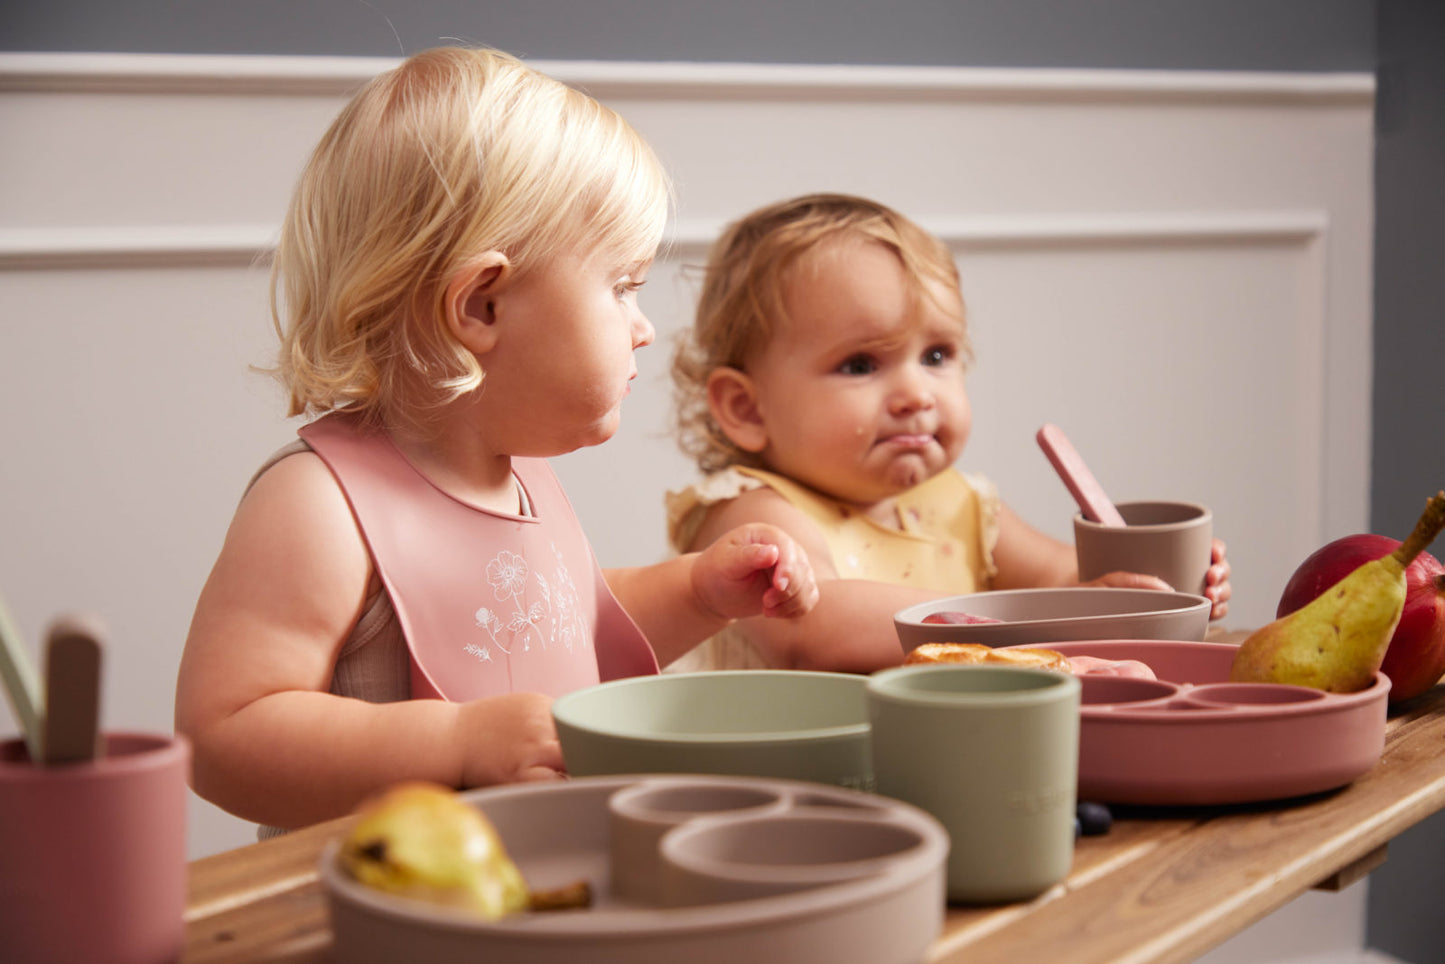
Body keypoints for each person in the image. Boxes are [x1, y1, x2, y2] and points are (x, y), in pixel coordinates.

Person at [174, 47, 818, 834]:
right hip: (379, 905)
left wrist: (696, 593)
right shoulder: (319, 503)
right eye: (621, 288)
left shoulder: (520, 478)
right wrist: (455, 741)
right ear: (481, 306)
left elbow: (558, 633)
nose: (644, 330)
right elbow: (222, 735)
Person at [666, 193, 1229, 673]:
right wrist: (1023, 618)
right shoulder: (748, 515)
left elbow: (1064, 580)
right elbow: (813, 626)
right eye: (861, 364)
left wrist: (1145, 590)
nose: (917, 394)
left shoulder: (958, 501)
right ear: (747, 408)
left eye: (936, 355)